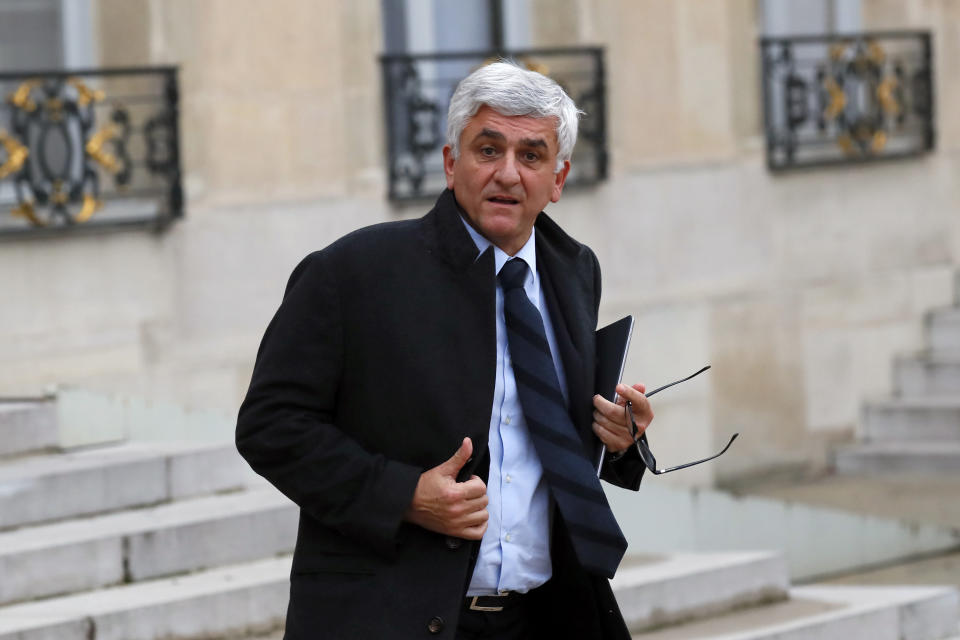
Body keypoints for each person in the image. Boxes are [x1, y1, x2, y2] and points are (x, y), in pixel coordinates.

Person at [236, 61, 654, 640]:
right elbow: (270, 426)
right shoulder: (351, 272)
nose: (507, 173)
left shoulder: (574, 270)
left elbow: (547, 441)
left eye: (531, 156)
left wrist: (620, 439)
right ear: (451, 162)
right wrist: (403, 496)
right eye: (488, 149)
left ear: (556, 180)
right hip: (392, 617)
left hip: (546, 616)